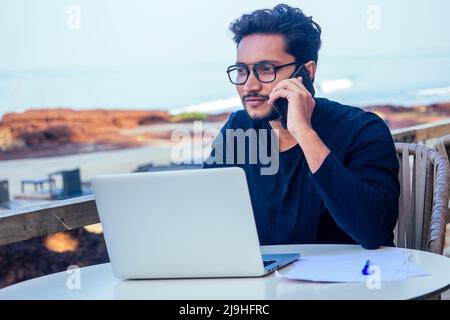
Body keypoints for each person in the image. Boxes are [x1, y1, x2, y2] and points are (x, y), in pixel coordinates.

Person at [203, 4, 400, 250]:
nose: (249, 85)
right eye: (242, 70)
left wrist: (304, 132)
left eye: (266, 69)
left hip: (351, 283)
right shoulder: (238, 130)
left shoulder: (362, 129)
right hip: (267, 284)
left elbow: (372, 232)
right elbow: (208, 219)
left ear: (306, 72)